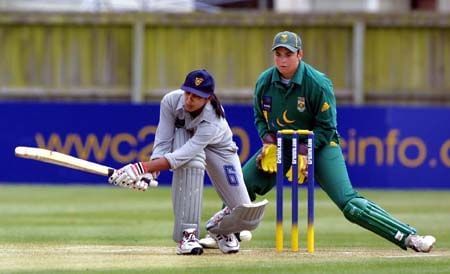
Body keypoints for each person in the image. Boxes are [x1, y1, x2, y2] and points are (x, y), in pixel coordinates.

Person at [202, 31, 436, 252]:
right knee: (240, 184)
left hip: (320, 145)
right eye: (278, 54)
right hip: (282, 145)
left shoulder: (317, 83)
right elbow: (259, 117)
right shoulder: (265, 81)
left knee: (350, 204)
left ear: (300, 55)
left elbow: (327, 127)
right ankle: (225, 233)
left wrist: (305, 150)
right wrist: (268, 139)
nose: (282, 60)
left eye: (289, 54)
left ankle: (409, 237)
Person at [108, 69, 268, 255]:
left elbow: (181, 155)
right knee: (191, 162)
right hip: (186, 145)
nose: (189, 99)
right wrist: (150, 172)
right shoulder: (170, 101)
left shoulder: (213, 120)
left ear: (207, 98)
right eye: (188, 92)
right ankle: (188, 234)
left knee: (246, 214)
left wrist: (140, 167)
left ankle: (220, 229)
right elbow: (163, 140)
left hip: (221, 150)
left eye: (196, 96)